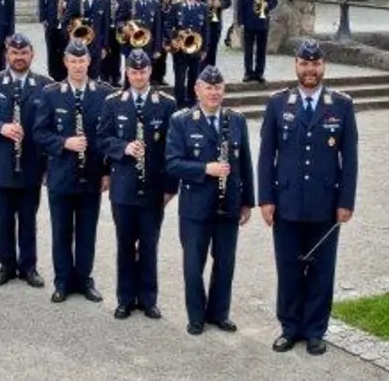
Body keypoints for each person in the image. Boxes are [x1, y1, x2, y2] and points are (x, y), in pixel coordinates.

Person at [258, 41, 359, 356]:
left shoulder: (341, 105)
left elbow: (351, 159)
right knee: (288, 268)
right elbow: (266, 156)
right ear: (296, 66)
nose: (310, 70)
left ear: (323, 66)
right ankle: (289, 328)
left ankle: (315, 331)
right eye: (304, 64)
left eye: (315, 64)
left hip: (325, 205)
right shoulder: (278, 104)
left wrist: (346, 202)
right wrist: (266, 199)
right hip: (286, 202)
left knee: (321, 270)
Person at [166, 65, 254, 335]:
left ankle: (219, 313)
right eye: (208, 87)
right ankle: (196, 316)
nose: (214, 93)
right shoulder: (182, 120)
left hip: (228, 203)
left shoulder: (235, 120)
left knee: (225, 263)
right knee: (194, 265)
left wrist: (247, 202)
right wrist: (205, 169)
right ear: (197, 90)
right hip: (196, 207)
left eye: (218, 87)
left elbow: (245, 163)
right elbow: (172, 163)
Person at [97, 49, 178, 320]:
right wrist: (123, 147)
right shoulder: (113, 102)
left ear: (150, 72)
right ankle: (124, 299)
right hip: (124, 186)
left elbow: (172, 149)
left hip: (153, 188)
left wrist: (170, 187)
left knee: (149, 244)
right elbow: (102, 139)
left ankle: (148, 299)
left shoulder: (165, 104)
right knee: (124, 244)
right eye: (134, 71)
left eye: (143, 72)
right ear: (127, 73)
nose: (139, 76)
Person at [33, 41, 110, 304]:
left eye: (82, 61)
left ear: (89, 62)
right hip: (62, 174)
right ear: (65, 62)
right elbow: (39, 133)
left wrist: (107, 172)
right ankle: (63, 281)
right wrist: (63, 143)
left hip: (92, 174)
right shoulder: (51, 93)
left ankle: (84, 280)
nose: (78, 66)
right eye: (73, 61)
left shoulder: (104, 93)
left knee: (87, 231)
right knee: (61, 231)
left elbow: (109, 137)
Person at [0, 33, 49, 288]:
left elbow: (50, 129)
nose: (19, 58)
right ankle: (6, 265)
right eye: (15, 53)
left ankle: (28, 267)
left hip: (31, 163)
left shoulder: (44, 85)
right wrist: (1, 128)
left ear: (32, 54)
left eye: (24, 53)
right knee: (4, 219)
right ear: (7, 54)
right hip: (0, 163)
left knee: (28, 219)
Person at [37, 0, 81, 81]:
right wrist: (43, 18)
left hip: (68, 22)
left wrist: (70, 6)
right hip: (51, 19)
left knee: (66, 48)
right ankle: (53, 76)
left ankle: (66, 75)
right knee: (52, 48)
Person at [114, 0, 164, 88]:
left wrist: (157, 48)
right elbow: (119, 20)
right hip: (131, 44)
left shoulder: (155, 4)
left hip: (148, 44)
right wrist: (124, 28)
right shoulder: (128, 1)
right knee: (130, 73)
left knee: (146, 74)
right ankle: (127, 97)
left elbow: (158, 28)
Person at [168, 0, 209, 109]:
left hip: (195, 49)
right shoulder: (176, 7)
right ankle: (179, 106)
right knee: (179, 79)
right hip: (180, 50)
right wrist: (175, 36)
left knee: (194, 78)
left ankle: (192, 104)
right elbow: (169, 26)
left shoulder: (203, 7)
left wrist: (204, 49)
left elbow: (206, 30)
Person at [235, 0, 278, 82]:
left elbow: (274, 1)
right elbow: (240, 6)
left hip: (262, 22)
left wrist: (266, 5)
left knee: (261, 49)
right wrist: (240, 23)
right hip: (248, 22)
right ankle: (248, 73)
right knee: (248, 50)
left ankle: (259, 73)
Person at [67, 0, 112, 81]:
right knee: (79, 72)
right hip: (79, 44)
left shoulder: (104, 1)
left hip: (96, 44)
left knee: (94, 73)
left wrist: (104, 46)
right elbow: (66, 21)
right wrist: (72, 33)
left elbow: (105, 26)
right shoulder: (76, 0)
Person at [99, 0, 134, 85]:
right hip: (105, 23)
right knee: (104, 48)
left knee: (117, 51)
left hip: (119, 24)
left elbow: (131, 4)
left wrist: (119, 5)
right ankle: (103, 77)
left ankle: (116, 77)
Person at [197, 0, 232, 67]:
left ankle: (211, 74)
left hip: (216, 22)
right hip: (202, 22)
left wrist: (220, 4)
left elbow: (228, 2)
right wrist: (204, 4)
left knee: (213, 48)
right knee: (202, 49)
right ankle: (200, 76)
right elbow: (192, 1)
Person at [146, 0, 174, 85]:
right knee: (151, 46)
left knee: (163, 48)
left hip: (164, 18)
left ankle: (160, 76)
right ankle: (150, 77)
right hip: (150, 19)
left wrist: (169, 0)